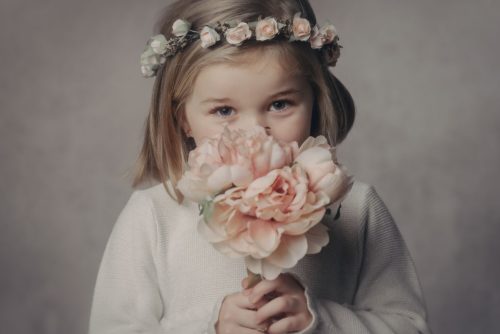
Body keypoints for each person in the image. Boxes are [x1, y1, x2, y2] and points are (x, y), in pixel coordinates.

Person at [88, 0, 432, 333]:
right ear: (183, 121)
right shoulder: (154, 214)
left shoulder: (357, 208)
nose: (254, 132)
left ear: (314, 101)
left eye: (280, 104)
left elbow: (409, 326)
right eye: (224, 111)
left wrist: (320, 321)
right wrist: (210, 327)